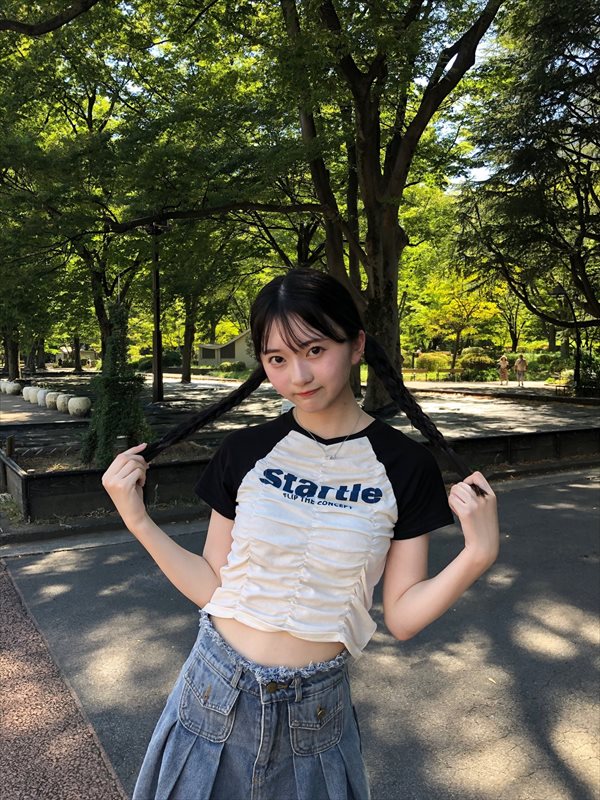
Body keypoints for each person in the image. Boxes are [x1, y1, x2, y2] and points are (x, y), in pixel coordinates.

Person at [102, 269, 499, 800]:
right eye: (277, 359)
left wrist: (479, 553)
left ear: (357, 345)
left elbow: (402, 617)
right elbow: (213, 584)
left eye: (315, 350)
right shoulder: (245, 452)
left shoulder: (405, 465)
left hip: (316, 716)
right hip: (211, 695)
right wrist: (137, 520)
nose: (299, 375)